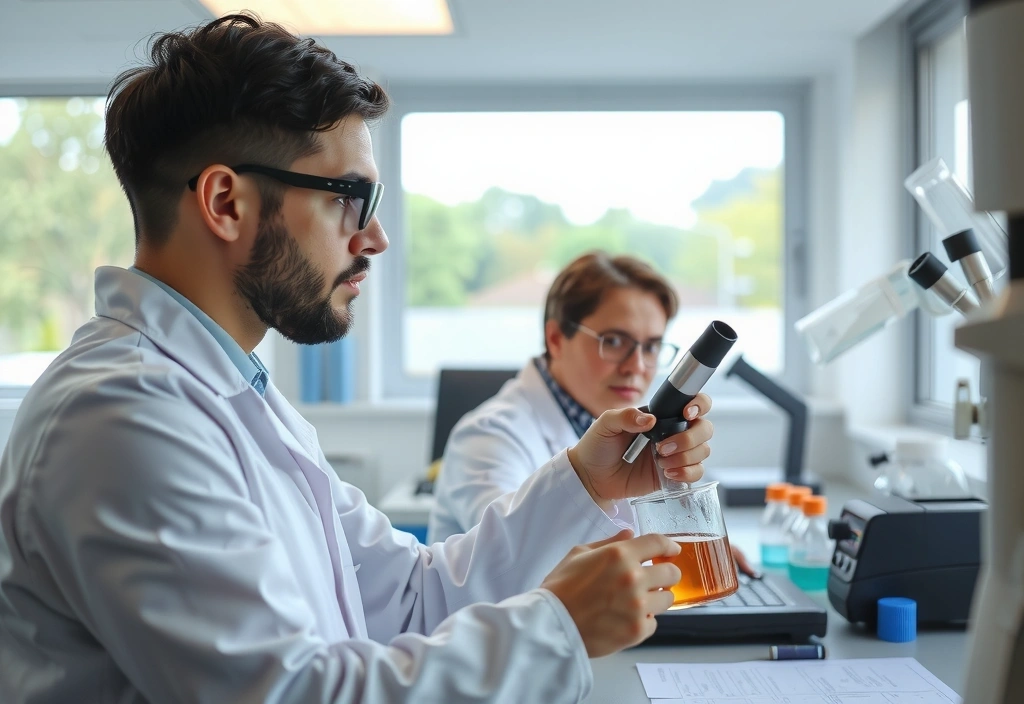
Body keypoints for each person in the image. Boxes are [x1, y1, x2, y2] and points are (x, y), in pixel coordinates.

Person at [0, 15, 717, 704]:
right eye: (351, 197)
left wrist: (587, 483)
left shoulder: (238, 395)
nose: (374, 239)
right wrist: (556, 627)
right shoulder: (123, 418)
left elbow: (413, 599)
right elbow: (284, 695)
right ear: (225, 202)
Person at [428, 252, 756, 577]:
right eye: (613, 341)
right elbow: (512, 562)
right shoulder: (488, 437)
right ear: (556, 339)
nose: (637, 367)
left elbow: (660, 537)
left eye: (651, 346)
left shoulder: (635, 430)